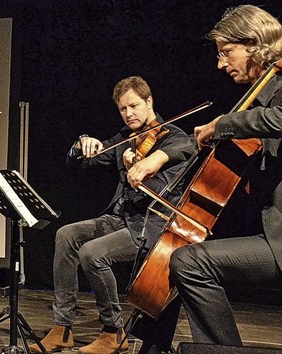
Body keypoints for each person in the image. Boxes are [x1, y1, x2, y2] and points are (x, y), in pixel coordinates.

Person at [127, 4, 282, 347]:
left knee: (189, 261)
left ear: (254, 43)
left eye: (227, 52)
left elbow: (279, 119)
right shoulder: (262, 95)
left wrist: (222, 124)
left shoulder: (279, 86)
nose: (221, 63)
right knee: (182, 256)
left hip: (279, 239)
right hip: (271, 230)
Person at [30, 76, 192, 354]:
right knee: (65, 234)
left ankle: (113, 331)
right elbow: (81, 161)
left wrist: (142, 164)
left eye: (134, 106)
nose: (129, 114)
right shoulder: (125, 139)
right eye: (122, 109)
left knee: (93, 253)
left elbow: (186, 152)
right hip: (120, 217)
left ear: (149, 101)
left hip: (150, 224)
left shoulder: (174, 138)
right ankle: (62, 328)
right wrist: (82, 143)